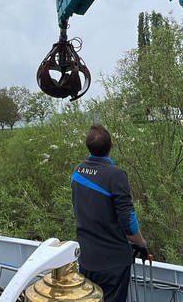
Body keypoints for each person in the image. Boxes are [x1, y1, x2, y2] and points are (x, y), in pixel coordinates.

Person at [71, 124, 148, 302]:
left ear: (88, 147)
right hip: (112, 263)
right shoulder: (116, 175)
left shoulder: (78, 171)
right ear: (111, 145)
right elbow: (128, 220)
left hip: (87, 259)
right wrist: (141, 243)